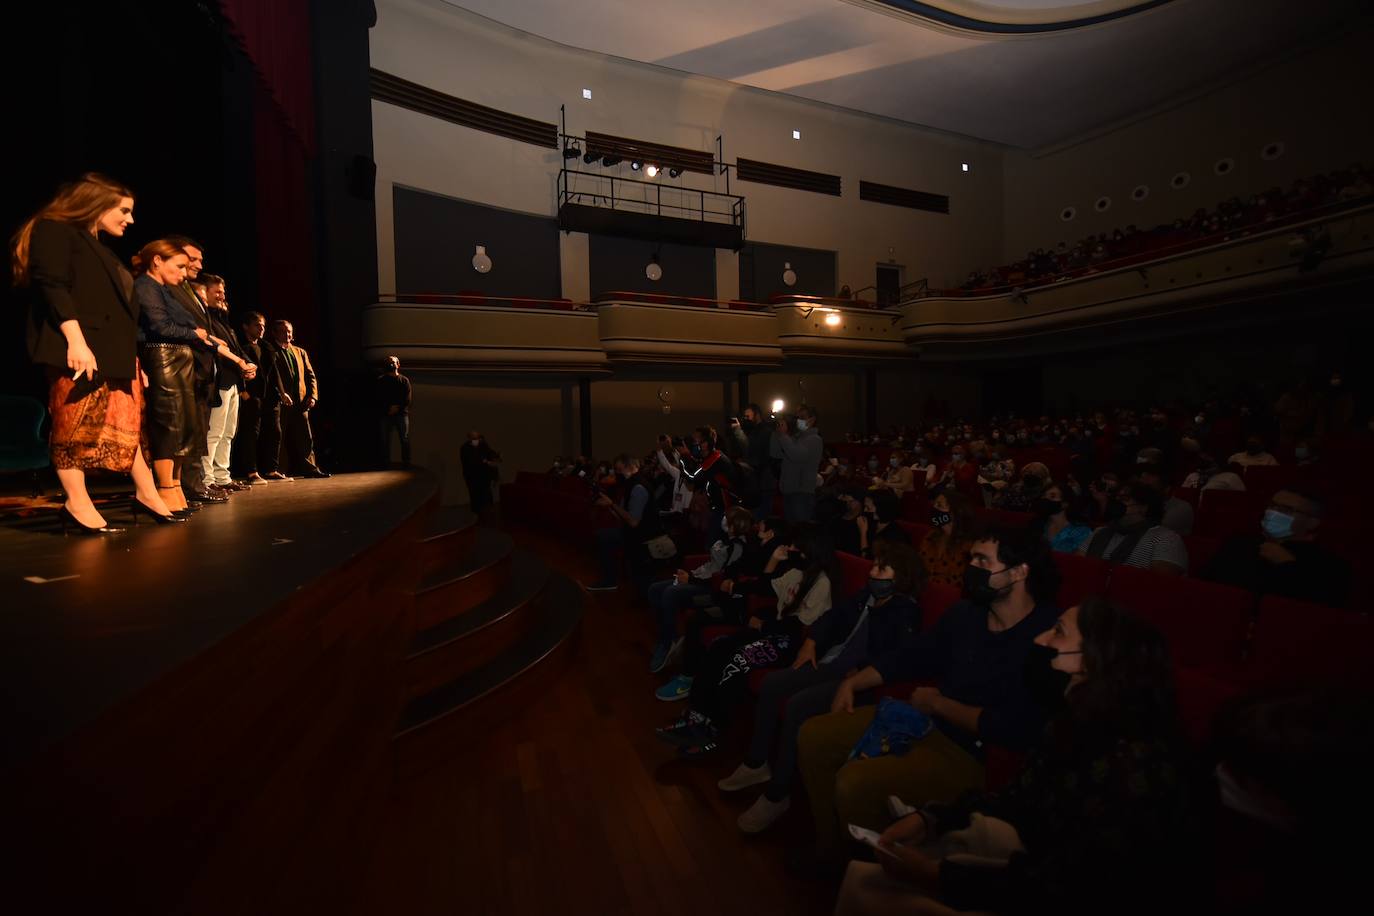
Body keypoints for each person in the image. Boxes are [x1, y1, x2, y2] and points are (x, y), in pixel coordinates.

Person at [836, 598, 1188, 916]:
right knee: (866, 878)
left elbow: (1067, 888)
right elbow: (1018, 798)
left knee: (878, 893)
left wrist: (937, 876)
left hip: (1062, 894)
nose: (1040, 640)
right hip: (1034, 866)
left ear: (1094, 663)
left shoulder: (1134, 768)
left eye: (1058, 634)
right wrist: (932, 818)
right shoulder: (1069, 722)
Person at [797, 527, 1061, 861]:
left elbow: (1013, 727)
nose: (972, 569)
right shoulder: (965, 614)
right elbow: (911, 656)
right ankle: (831, 846)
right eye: (971, 559)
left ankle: (871, 870)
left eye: (983, 560)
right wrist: (852, 683)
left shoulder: (1046, 636)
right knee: (813, 736)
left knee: (854, 782)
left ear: (1020, 571)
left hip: (972, 753)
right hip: (923, 722)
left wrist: (937, 703)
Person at [721, 541, 926, 835]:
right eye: (874, 564)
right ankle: (756, 763)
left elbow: (895, 658)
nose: (872, 571)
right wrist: (812, 640)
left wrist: (861, 672)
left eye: (881, 568)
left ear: (901, 576)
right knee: (773, 683)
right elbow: (833, 617)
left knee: (798, 705)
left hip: (860, 683)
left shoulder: (905, 611)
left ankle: (778, 794)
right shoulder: (865, 595)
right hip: (832, 664)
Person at [11, 173, 177, 530]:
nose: (130, 220)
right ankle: (76, 501)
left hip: (113, 353)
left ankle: (147, 493)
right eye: (124, 210)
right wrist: (75, 340)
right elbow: (52, 285)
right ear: (97, 203)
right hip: (80, 346)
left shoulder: (96, 245)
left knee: (127, 424)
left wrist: (132, 359)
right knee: (75, 422)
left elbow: (118, 311)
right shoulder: (54, 229)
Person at [655, 527, 836, 756]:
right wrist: (771, 560)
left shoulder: (822, 583)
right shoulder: (797, 572)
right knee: (720, 646)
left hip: (787, 643)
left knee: (737, 661)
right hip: (772, 631)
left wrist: (762, 626)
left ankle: (713, 730)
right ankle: (696, 715)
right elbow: (766, 586)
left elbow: (800, 627)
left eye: (795, 547)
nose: (790, 549)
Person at [134, 241, 247, 515]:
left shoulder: (165, 290)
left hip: (178, 359)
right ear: (158, 260)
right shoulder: (145, 287)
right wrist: (193, 334)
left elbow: (190, 324)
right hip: (163, 358)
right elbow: (162, 326)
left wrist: (196, 333)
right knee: (169, 427)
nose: (186, 272)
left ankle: (174, 487)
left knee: (183, 429)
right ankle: (167, 488)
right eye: (181, 265)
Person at [645, 506, 754, 673]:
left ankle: (667, 644)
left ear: (734, 525)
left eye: (727, 519)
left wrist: (690, 579)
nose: (723, 520)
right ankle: (669, 634)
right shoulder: (725, 539)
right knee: (655, 589)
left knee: (670, 593)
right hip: (700, 579)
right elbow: (710, 565)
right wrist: (690, 574)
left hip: (711, 589)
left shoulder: (738, 547)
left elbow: (723, 577)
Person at [1203, 487, 1350, 607]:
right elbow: (1205, 583)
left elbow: (1317, 609)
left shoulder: (1328, 565)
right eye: (1272, 506)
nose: (1273, 513)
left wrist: (1288, 566)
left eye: (1286, 510)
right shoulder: (1238, 543)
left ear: (1313, 522)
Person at [163, 237, 223, 504]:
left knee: (199, 430)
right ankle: (189, 486)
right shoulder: (170, 288)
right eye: (192, 259)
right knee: (188, 431)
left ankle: (195, 483)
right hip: (184, 366)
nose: (198, 264)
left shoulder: (187, 287)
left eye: (199, 259)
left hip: (200, 368)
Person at [195, 274, 254, 493]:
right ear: (204, 293)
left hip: (232, 382)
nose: (221, 296)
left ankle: (222, 476)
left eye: (223, 292)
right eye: (216, 292)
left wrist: (247, 366)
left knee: (228, 433)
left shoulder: (223, 320)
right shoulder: (204, 319)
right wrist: (239, 361)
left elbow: (236, 349)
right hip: (217, 382)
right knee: (214, 432)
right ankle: (208, 478)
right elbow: (216, 348)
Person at [587, 453, 661, 593]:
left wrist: (612, 504)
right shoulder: (631, 485)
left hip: (644, 536)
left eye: (619, 470)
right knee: (603, 535)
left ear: (630, 467)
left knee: (606, 536)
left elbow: (633, 522)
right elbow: (623, 517)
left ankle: (610, 580)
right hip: (635, 532)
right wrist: (608, 505)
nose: (617, 473)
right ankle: (609, 579)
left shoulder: (638, 487)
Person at [1078, 484, 1187, 575]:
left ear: (1143, 507)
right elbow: (1078, 567)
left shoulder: (1166, 539)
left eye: (1124, 499)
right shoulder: (1100, 532)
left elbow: (1160, 584)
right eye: (1117, 499)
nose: (1118, 503)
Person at [269, 319, 328, 478]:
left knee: (305, 437)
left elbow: (311, 376)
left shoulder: (300, 352)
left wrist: (313, 395)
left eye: (289, 331)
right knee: (279, 438)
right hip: (280, 402)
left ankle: (310, 469)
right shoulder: (270, 350)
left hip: (301, 402)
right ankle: (280, 470)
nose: (287, 334)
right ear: (274, 333)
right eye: (282, 331)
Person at [233, 311, 287, 482]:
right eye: (257, 325)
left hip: (270, 396)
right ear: (246, 327)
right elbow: (235, 368)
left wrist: (282, 392)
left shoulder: (266, 346)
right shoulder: (239, 346)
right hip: (251, 395)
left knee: (274, 431)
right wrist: (243, 392)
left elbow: (274, 372)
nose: (261, 328)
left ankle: (271, 469)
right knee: (251, 433)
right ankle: (251, 472)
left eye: (263, 325)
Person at [772, 406, 823, 522]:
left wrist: (784, 436)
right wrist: (778, 433)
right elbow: (775, 453)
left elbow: (796, 455)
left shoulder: (814, 439)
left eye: (802, 417)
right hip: (789, 491)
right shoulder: (796, 438)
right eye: (797, 417)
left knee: (800, 530)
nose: (798, 421)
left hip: (802, 493)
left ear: (812, 420)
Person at [918, 491, 976, 587]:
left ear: (955, 512)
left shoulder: (968, 545)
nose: (934, 508)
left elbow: (959, 582)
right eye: (934, 504)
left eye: (939, 505)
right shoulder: (932, 535)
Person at [731, 403, 775, 518]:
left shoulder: (765, 431)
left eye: (748, 416)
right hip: (756, 482)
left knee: (760, 517)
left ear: (757, 415)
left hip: (763, 482)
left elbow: (751, 450)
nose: (746, 419)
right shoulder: (754, 431)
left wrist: (738, 431)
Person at [1031, 482, 1094, 553]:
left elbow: (1080, 560)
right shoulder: (1037, 524)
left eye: (1052, 496)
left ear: (1065, 504)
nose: (1045, 499)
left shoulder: (1081, 531)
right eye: (1044, 496)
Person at [1136, 464, 1194, 535]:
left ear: (1167, 489)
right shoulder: (1136, 503)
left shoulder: (1181, 508)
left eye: (1149, 487)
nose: (1143, 491)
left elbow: (1153, 530)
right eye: (1141, 486)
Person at [376, 355, 412, 465]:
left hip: (401, 414)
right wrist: (388, 408)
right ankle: (385, 463)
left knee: (404, 439)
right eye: (389, 362)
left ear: (398, 364)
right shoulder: (381, 380)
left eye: (393, 361)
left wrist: (397, 407)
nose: (391, 363)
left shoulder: (404, 380)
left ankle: (406, 463)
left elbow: (407, 398)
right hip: (385, 414)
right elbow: (377, 397)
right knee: (384, 440)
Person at [858, 489, 910, 558]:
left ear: (880, 509)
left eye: (868, 508)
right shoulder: (872, 523)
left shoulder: (894, 536)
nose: (865, 510)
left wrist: (863, 533)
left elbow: (867, 558)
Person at [459, 430, 500, 512]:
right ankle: (477, 514)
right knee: (475, 496)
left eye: (478, 438)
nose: (477, 440)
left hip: (483, 475)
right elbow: (469, 461)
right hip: (472, 476)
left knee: (486, 494)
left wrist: (495, 457)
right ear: (469, 438)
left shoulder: (483, 445)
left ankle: (487, 513)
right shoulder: (465, 448)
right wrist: (485, 461)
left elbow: (490, 452)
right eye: (474, 438)